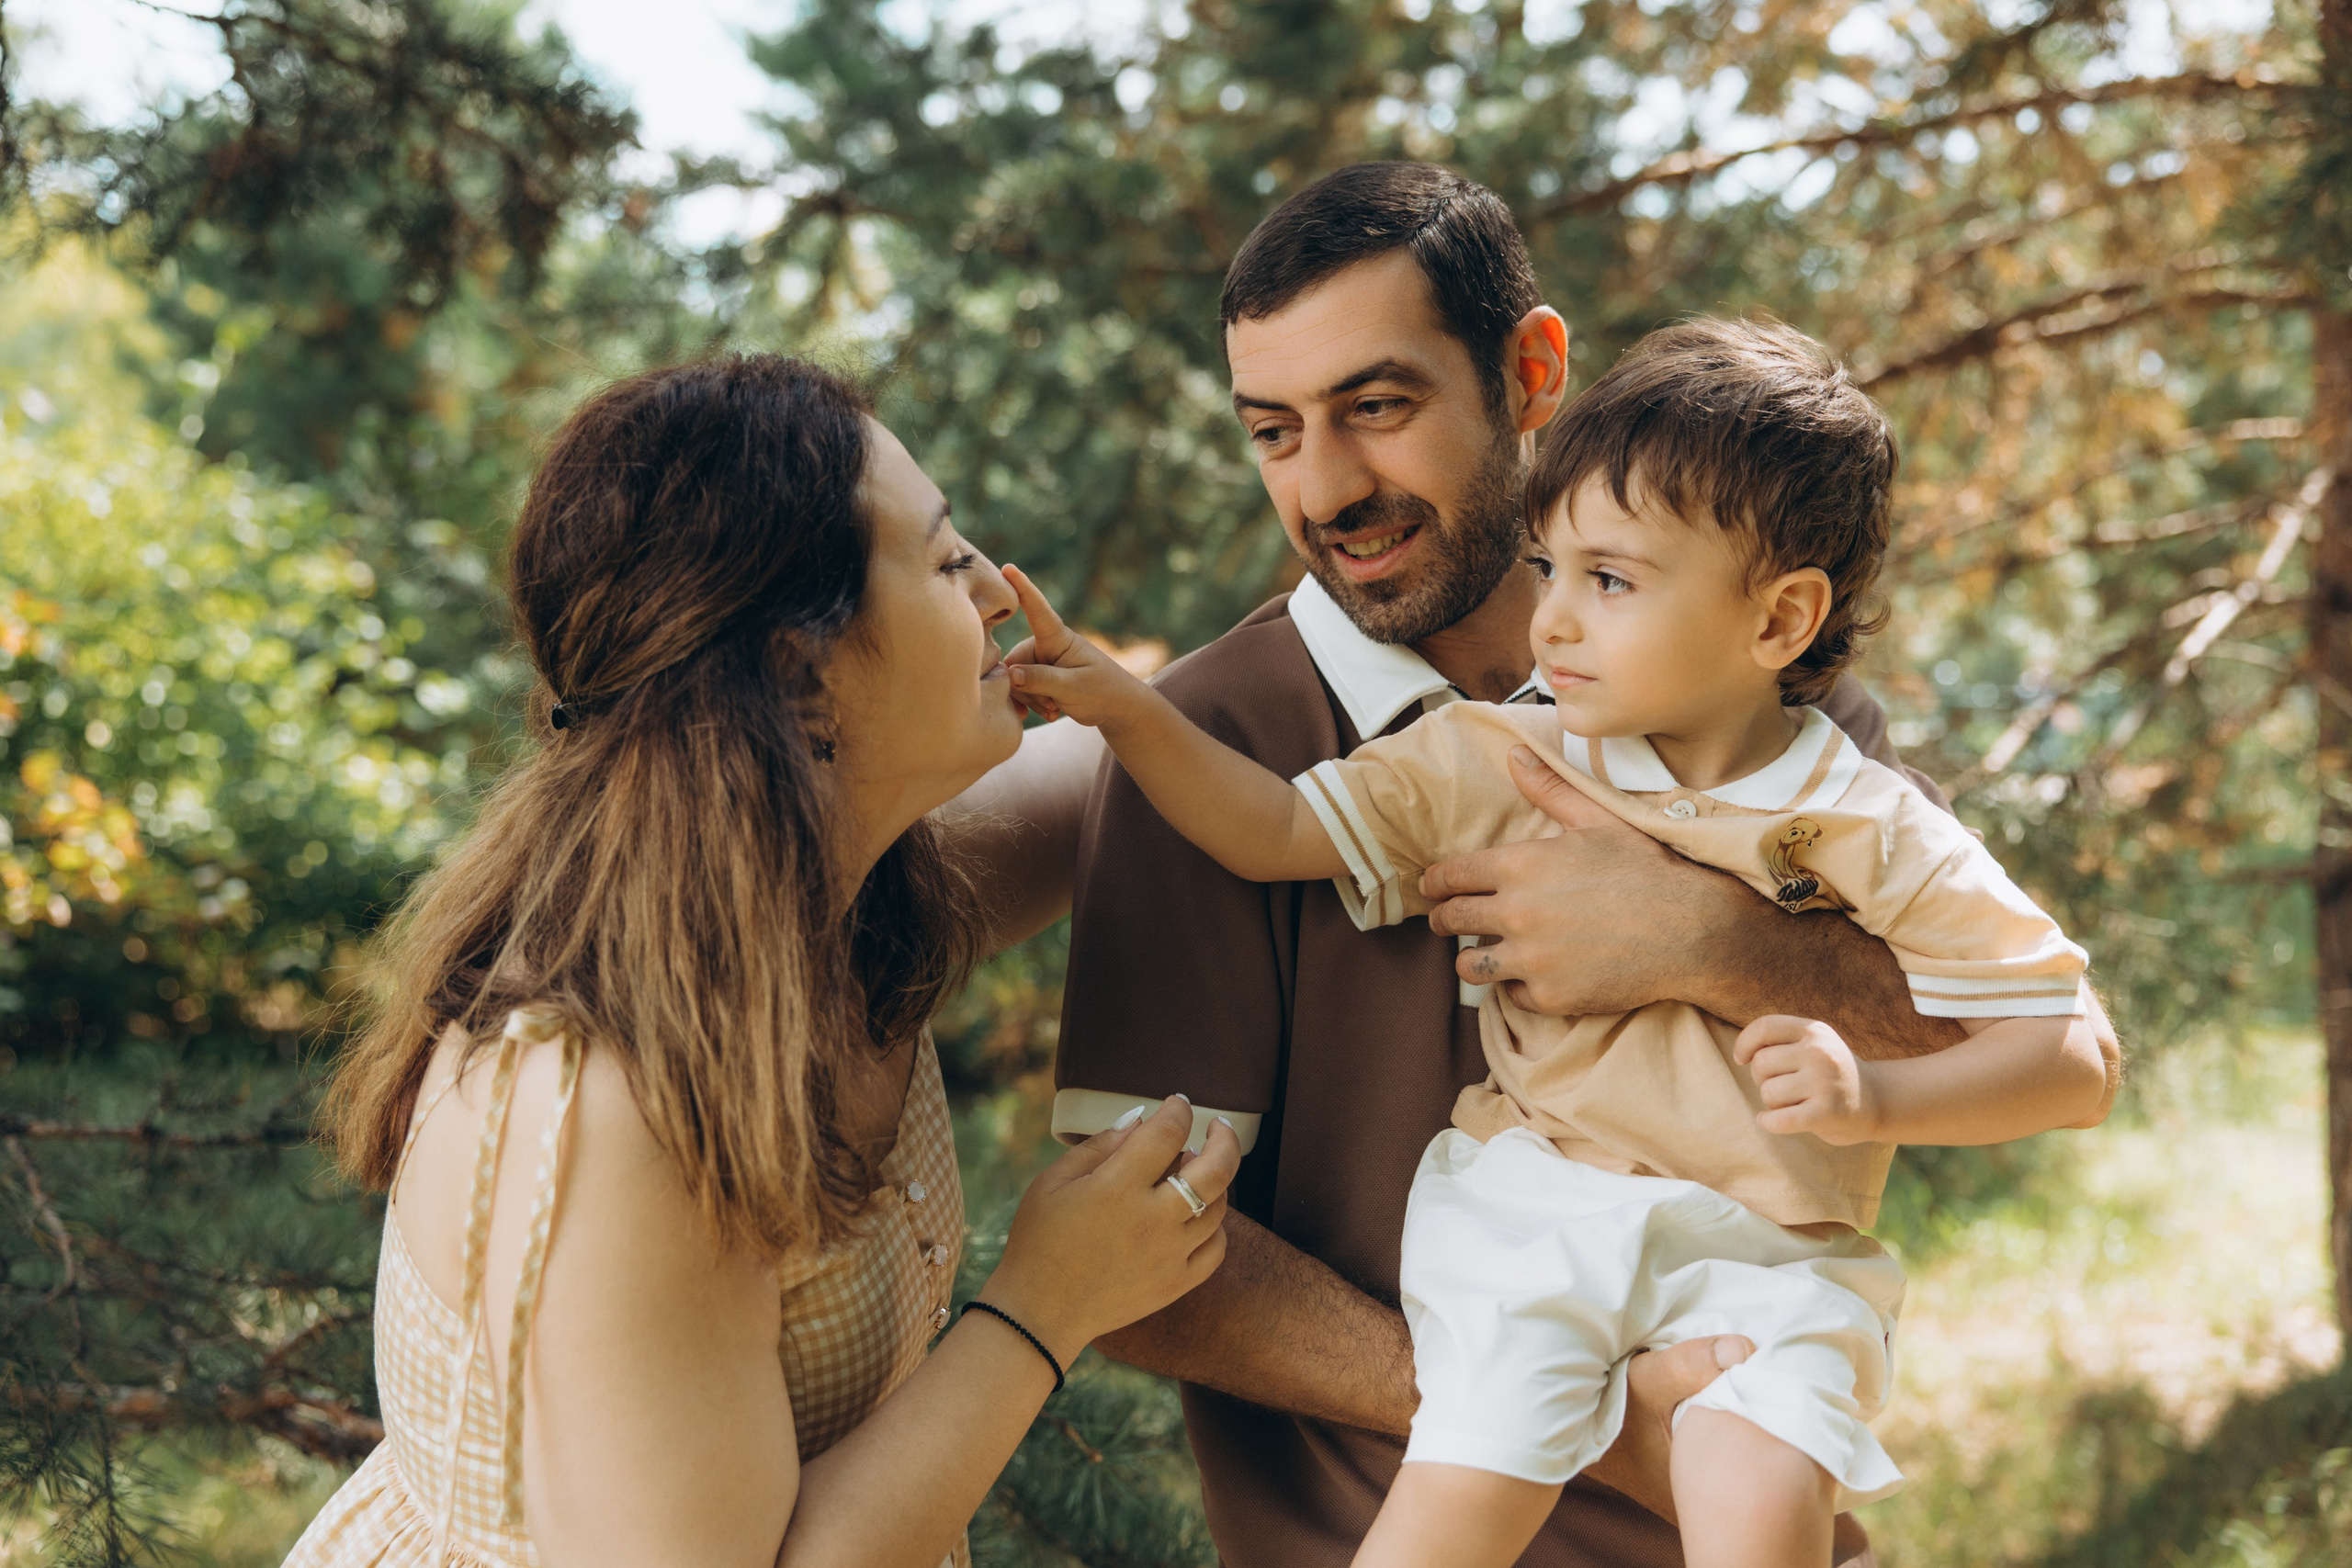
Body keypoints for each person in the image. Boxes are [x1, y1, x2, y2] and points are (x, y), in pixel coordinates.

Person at [947, 163, 2120, 1565]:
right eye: (1274, 431)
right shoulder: (1216, 741)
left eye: (1379, 407)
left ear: (1531, 373)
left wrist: (1711, 942)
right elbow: (1141, 1266)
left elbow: (2014, 1042)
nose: (1327, 487)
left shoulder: (1773, 710)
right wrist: (1575, 1413)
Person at [284, 355, 1243, 1568]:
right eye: (945, 561)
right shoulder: (613, 1111)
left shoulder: (838, 882)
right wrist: (1047, 1303)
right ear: (800, 676)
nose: (999, 588)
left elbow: (1153, 762)